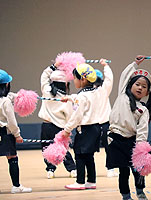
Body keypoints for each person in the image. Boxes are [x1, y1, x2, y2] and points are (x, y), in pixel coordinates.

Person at [107, 56, 151, 200]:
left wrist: (141, 148)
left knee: (137, 171)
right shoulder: (122, 95)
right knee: (123, 171)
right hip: (115, 140)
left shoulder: (143, 110)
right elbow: (124, 75)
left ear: (147, 93)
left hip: (132, 142)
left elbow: (142, 131)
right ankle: (126, 195)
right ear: (129, 85)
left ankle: (140, 192)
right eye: (137, 84)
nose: (140, 87)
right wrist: (135, 64)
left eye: (144, 87)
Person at [63, 60, 109, 190]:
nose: (74, 81)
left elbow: (77, 115)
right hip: (95, 128)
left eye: (75, 78)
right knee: (89, 155)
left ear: (82, 79)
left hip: (84, 129)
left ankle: (80, 182)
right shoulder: (96, 91)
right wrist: (70, 98)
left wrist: (67, 130)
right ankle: (91, 181)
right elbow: (83, 100)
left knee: (79, 154)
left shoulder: (82, 96)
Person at [38, 63, 77, 179]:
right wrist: (68, 129)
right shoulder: (66, 98)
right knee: (64, 149)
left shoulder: (46, 91)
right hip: (60, 127)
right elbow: (69, 116)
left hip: (46, 125)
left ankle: (50, 170)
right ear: (65, 84)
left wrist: (53, 66)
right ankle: (72, 169)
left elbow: (44, 76)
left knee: (46, 147)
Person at [0, 69, 32, 193]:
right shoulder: (6, 102)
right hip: (5, 133)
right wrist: (17, 135)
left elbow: (10, 96)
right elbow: (12, 122)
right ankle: (16, 186)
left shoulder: (6, 99)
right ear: (7, 84)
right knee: (12, 158)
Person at [94, 69, 118, 178]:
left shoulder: (102, 90)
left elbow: (109, 80)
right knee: (108, 147)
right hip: (97, 124)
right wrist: (106, 66)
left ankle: (110, 168)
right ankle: (110, 169)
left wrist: (106, 66)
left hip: (100, 124)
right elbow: (109, 79)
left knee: (108, 147)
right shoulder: (101, 90)